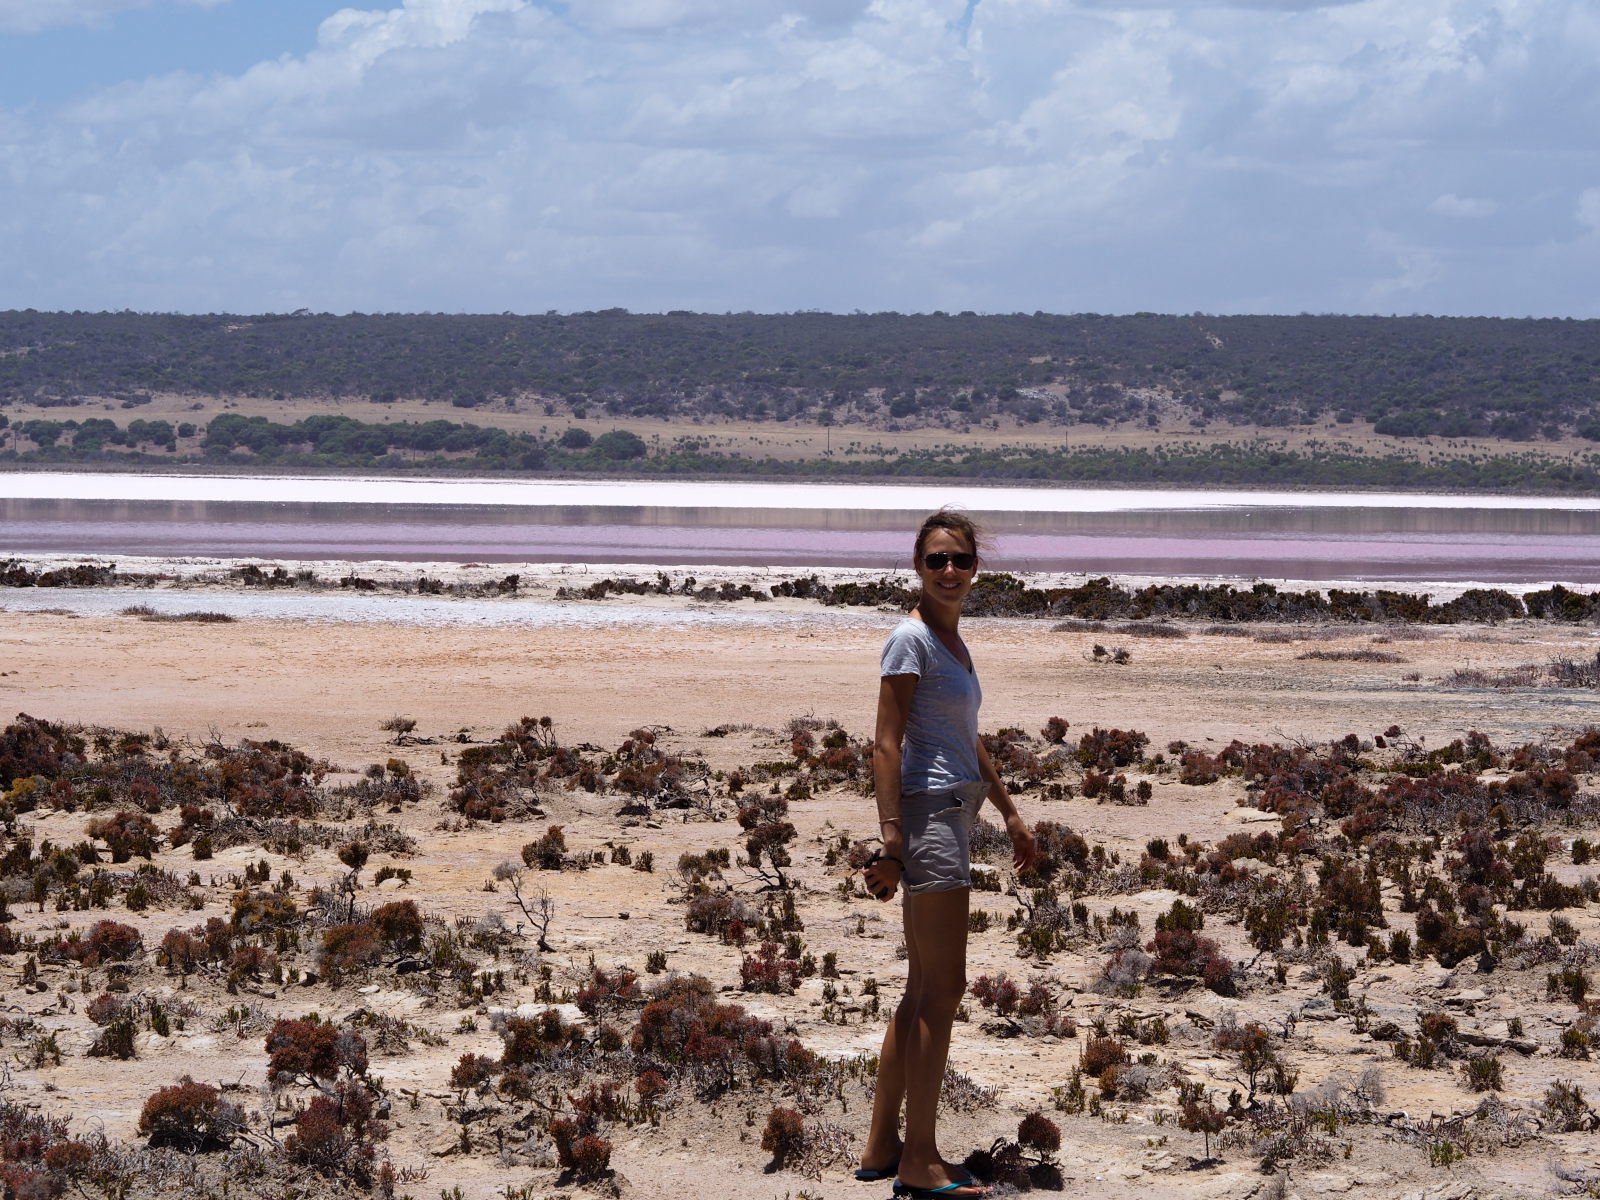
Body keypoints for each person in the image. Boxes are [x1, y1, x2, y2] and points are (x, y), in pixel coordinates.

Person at [856, 509, 1037, 1199]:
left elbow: (968, 736)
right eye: (937, 560)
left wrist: (1011, 813)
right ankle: (920, 1160)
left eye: (960, 559)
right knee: (944, 989)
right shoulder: (910, 639)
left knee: (921, 989)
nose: (949, 570)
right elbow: (886, 742)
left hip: (954, 809)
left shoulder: (952, 643)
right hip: (929, 815)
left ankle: (882, 1145)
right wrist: (892, 838)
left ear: (975, 568)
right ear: (917, 566)